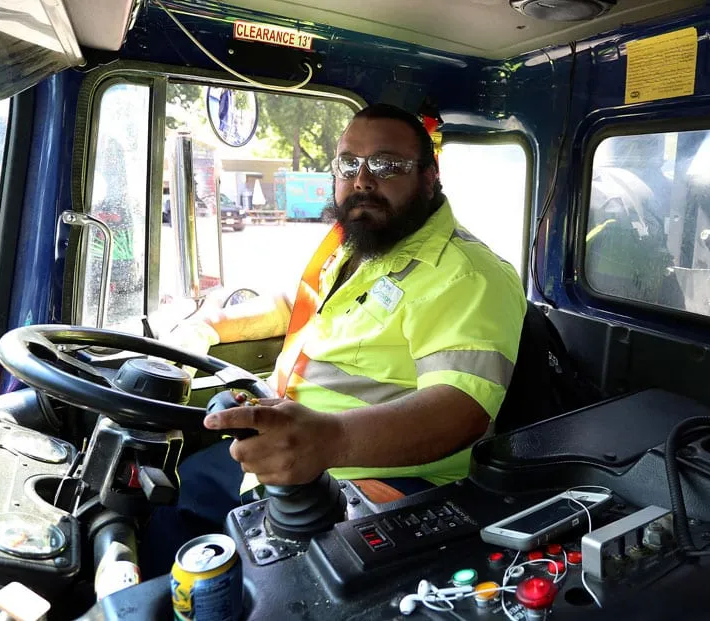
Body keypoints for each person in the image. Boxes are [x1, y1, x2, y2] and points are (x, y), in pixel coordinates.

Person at [142, 103, 527, 575]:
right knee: (167, 494)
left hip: (369, 482)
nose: (363, 179)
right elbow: (295, 302)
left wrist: (328, 441)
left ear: (430, 177)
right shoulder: (359, 244)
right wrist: (210, 326)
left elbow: (460, 409)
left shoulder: (468, 274)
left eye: (386, 165)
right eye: (349, 163)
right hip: (289, 450)